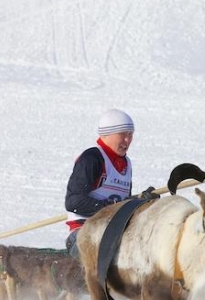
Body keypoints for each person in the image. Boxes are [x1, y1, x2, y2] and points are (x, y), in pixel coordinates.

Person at [64, 108, 158, 257]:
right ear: (106, 134)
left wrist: (139, 203)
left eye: (130, 135)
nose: (127, 140)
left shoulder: (126, 164)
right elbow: (73, 202)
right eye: (122, 135)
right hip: (85, 231)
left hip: (113, 231)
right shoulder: (92, 158)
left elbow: (121, 205)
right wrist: (112, 208)